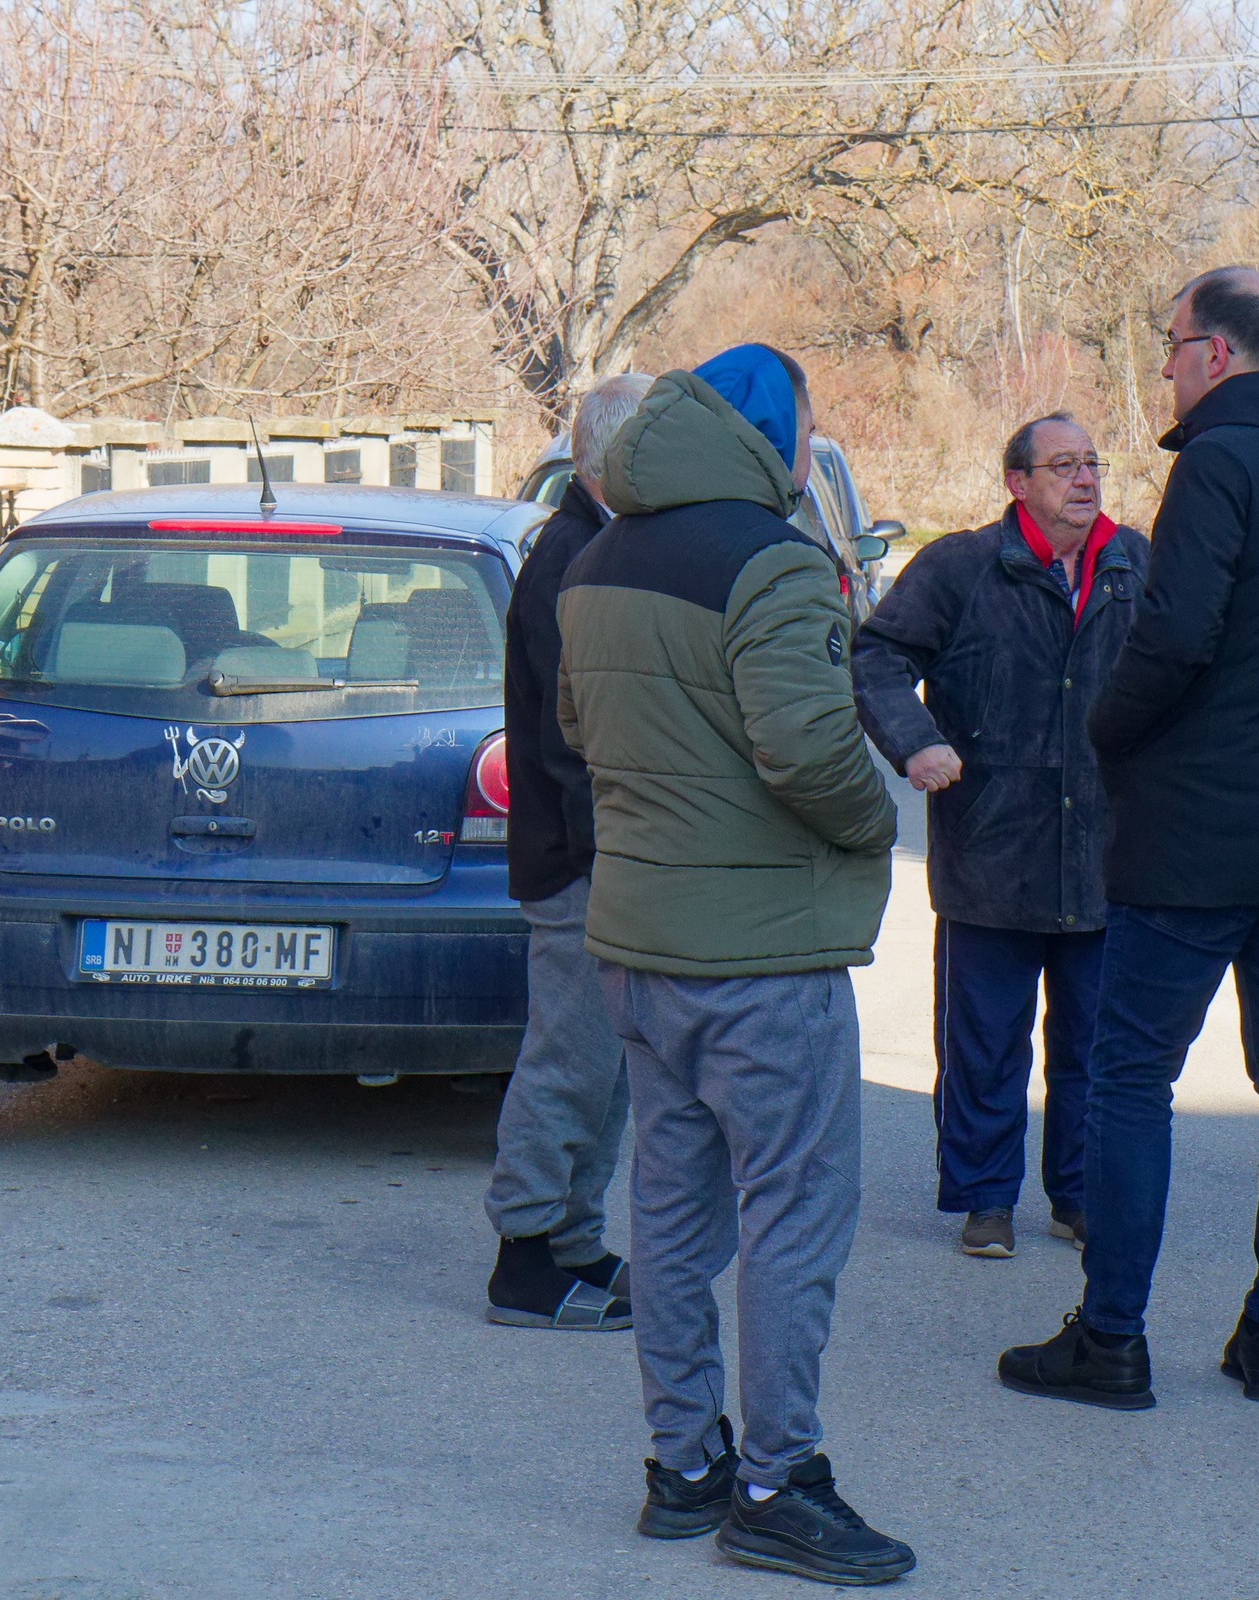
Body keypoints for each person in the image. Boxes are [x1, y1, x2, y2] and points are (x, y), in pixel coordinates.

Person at [996, 266, 1259, 1409]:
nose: (1167, 363)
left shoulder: (1221, 462)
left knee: (1131, 1076)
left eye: (1173, 342)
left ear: (1220, 353)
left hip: (1192, 822)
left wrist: (1110, 733)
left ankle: (1114, 1336)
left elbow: (1173, 635)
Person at [556, 344, 914, 1585]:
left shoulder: (598, 557)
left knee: (669, 1209)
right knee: (793, 1217)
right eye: (810, 421)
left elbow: (574, 727)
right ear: (772, 434)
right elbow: (812, 754)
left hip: (641, 949)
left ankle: (683, 1466)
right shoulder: (773, 561)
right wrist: (880, 825)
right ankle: (777, 1480)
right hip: (762, 957)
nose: (816, 441)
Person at [852, 412, 1150, 1259]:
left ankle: (1080, 1196)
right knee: (984, 1045)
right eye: (1063, 466)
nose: (1085, 479)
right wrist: (914, 743)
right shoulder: (959, 566)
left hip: (1106, 854)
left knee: (1095, 1045)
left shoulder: (1132, 562)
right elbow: (874, 660)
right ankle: (987, 1200)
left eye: (1092, 463)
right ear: (1017, 482)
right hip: (991, 852)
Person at [482, 374, 655, 1332]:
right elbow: (571, 740)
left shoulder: (592, 545)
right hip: (579, 860)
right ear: (613, 460)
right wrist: (619, 852)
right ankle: (525, 1256)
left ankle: (574, 1240)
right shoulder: (570, 559)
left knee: (604, 1066)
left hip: (597, 856)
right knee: (570, 1061)